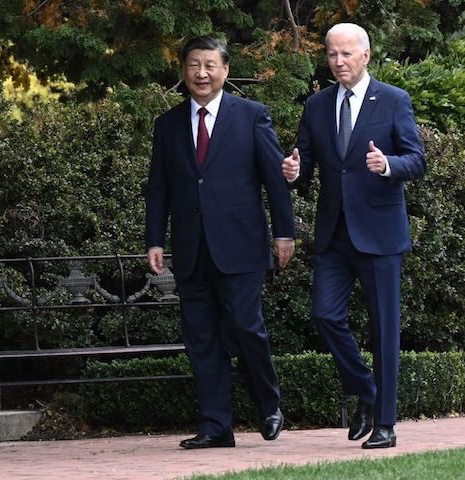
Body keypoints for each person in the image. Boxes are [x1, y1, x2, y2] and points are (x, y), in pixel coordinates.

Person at [146, 35, 296, 449]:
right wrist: (154, 239)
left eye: (210, 65)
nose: (202, 73)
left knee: (247, 327)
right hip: (192, 250)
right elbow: (159, 187)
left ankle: (269, 404)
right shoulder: (168, 125)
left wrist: (285, 231)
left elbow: (274, 178)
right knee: (202, 339)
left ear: (225, 71)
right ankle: (216, 427)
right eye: (194, 65)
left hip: (243, 246)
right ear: (183, 71)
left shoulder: (252, 116)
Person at [282, 23, 426, 449]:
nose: (339, 62)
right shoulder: (316, 105)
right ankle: (366, 387)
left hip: (380, 232)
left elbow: (415, 159)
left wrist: (387, 166)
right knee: (325, 315)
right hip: (334, 233)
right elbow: (304, 162)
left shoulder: (394, 100)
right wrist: (294, 172)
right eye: (332, 54)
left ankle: (386, 424)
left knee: (384, 329)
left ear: (366, 55)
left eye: (347, 54)